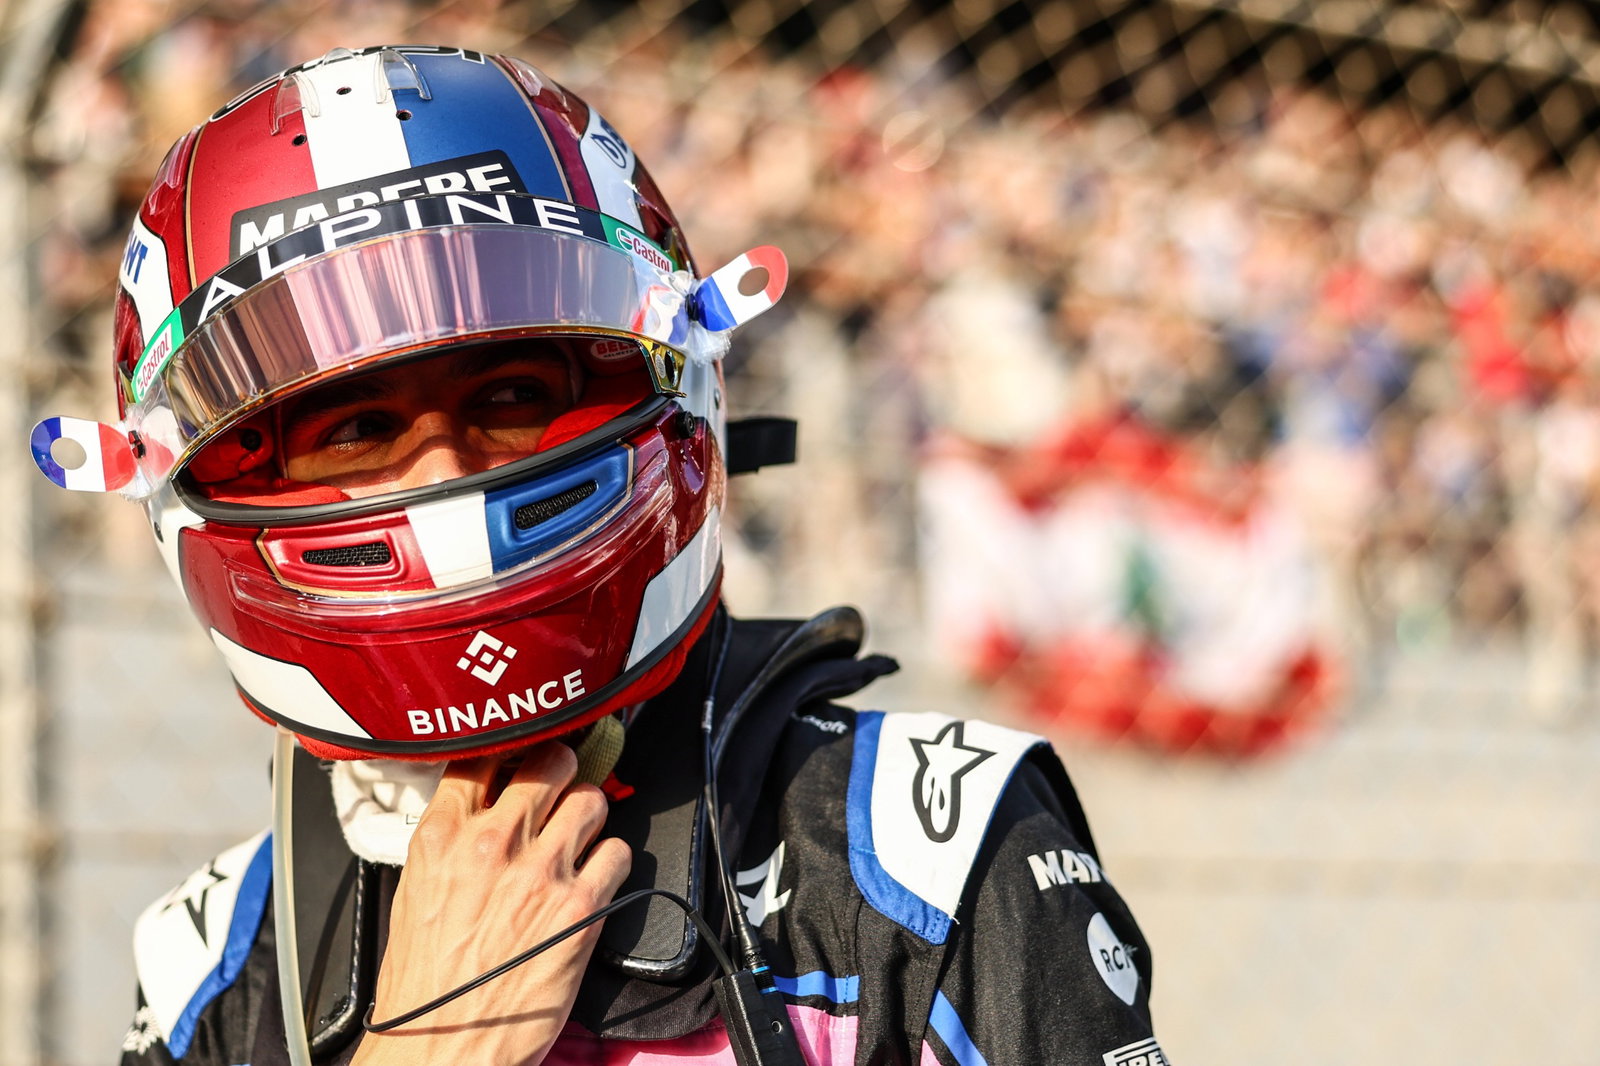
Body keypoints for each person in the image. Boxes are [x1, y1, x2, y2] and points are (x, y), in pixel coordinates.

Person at [31, 45, 1164, 1066]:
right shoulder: (216, 958)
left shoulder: (931, 851)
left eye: (515, 397)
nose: (445, 486)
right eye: (360, 429)